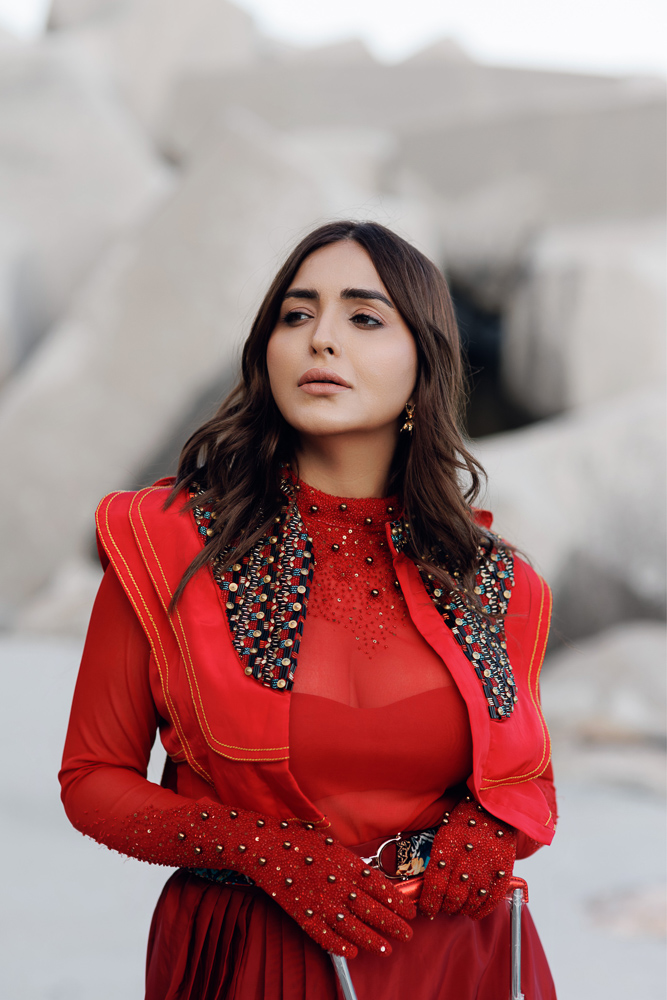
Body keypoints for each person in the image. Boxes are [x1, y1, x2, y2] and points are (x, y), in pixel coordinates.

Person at [60, 220, 557, 1000]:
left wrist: (493, 830)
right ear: (266, 350)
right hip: (252, 956)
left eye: (363, 317)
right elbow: (92, 779)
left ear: (424, 361)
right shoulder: (162, 545)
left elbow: (526, 780)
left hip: (465, 962)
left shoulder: (496, 581)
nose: (320, 338)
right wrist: (257, 847)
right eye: (296, 315)